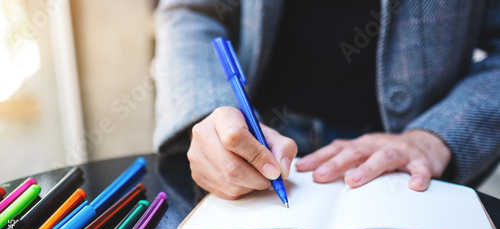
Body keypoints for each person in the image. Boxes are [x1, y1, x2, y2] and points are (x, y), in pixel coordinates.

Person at [152, 0, 500, 200]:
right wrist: (212, 108)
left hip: (409, 149)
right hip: (260, 129)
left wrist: (435, 136)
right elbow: (192, 12)